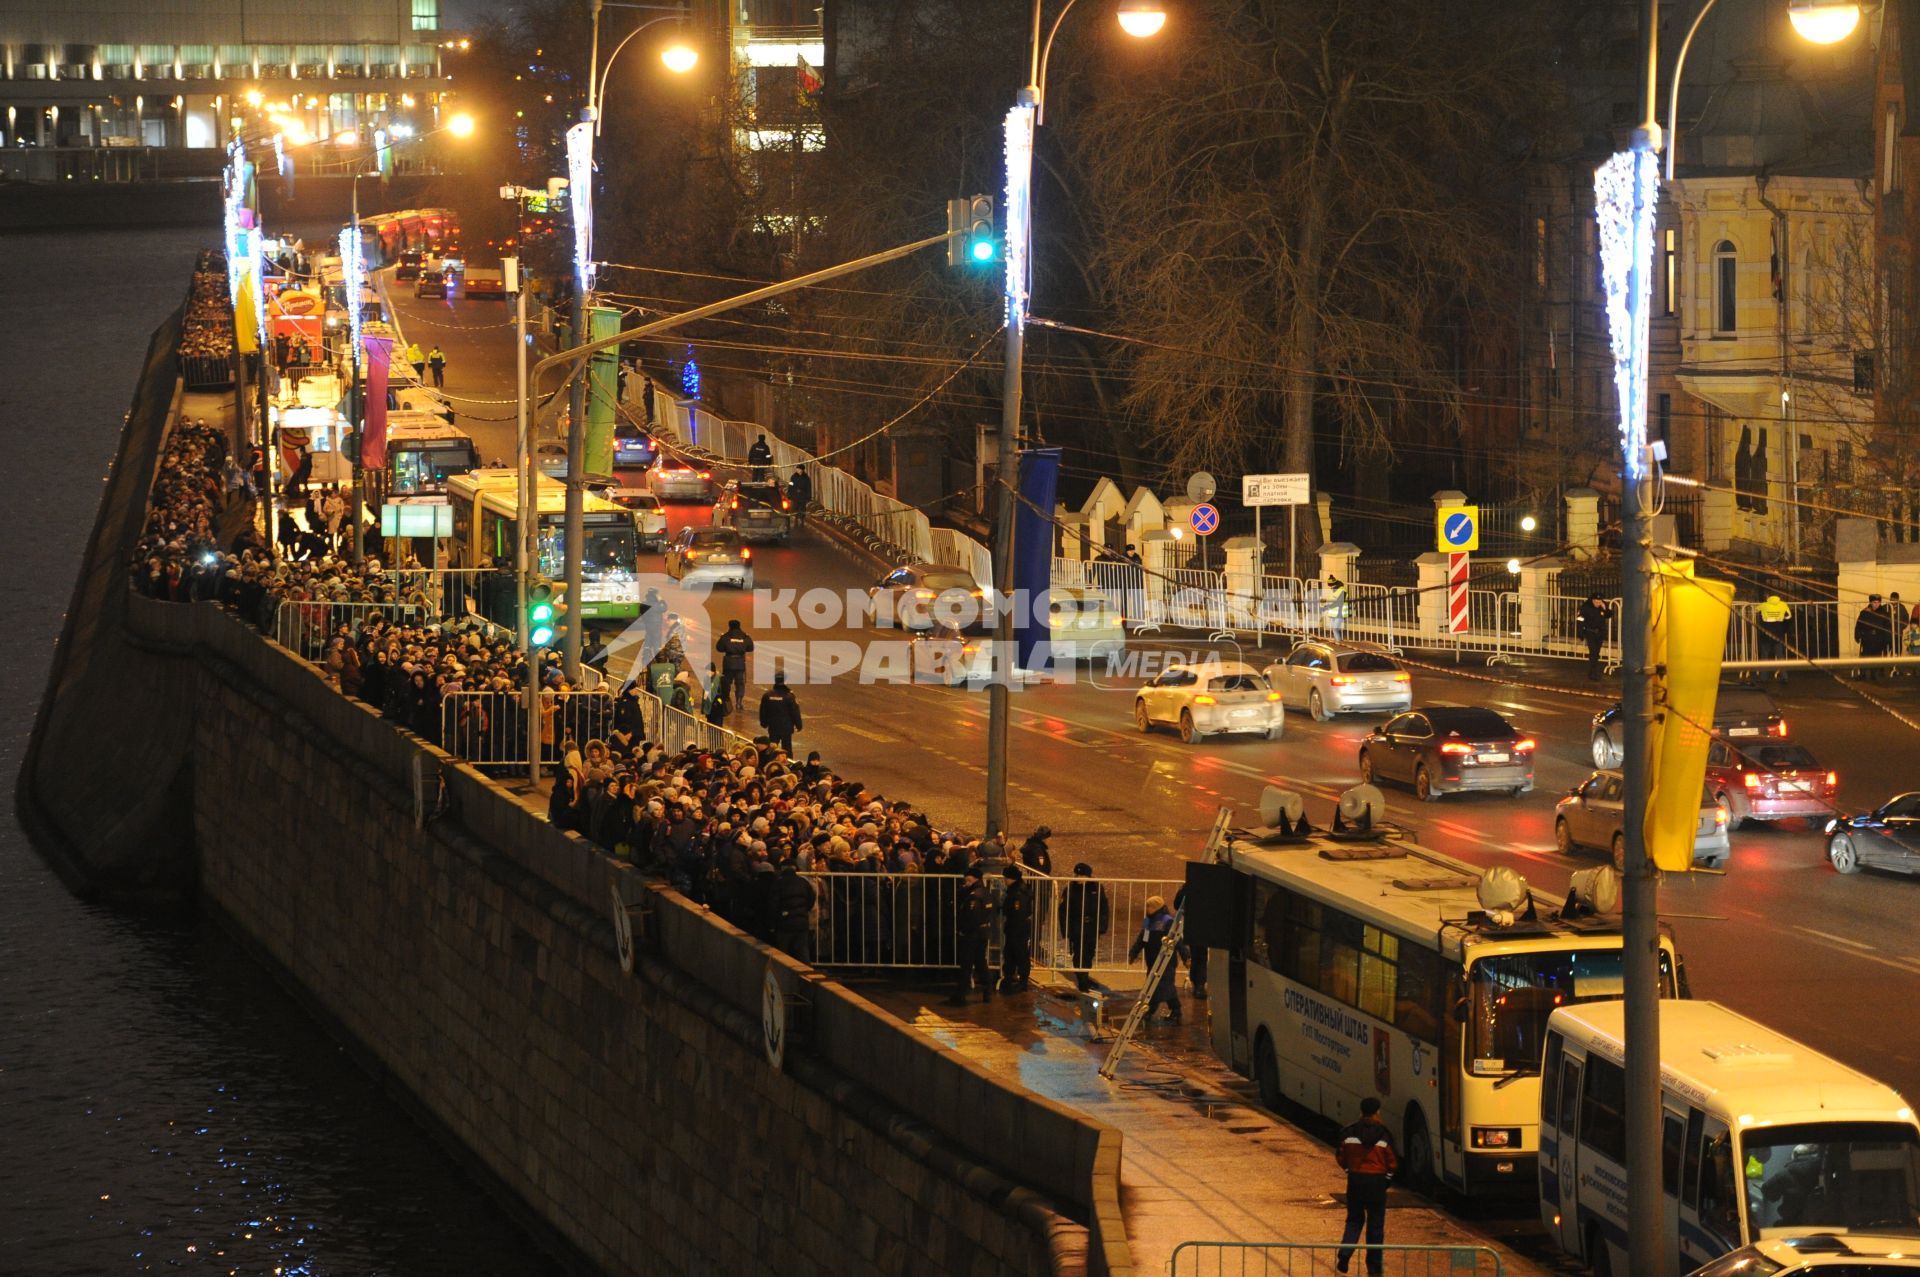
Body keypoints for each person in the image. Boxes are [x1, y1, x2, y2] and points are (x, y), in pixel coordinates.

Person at [1334, 1097, 1400, 1276]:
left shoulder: (1349, 1133)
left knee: (1354, 1220)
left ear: (1361, 1112)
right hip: (1377, 1183)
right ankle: (1374, 1268)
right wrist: (1387, 1179)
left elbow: (1341, 1156)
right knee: (1375, 1225)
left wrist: (1350, 1170)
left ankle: (1345, 1255)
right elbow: (1392, 1162)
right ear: (1377, 1112)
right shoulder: (1384, 1135)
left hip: (1355, 1181)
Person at [1127, 895, 1181, 1024]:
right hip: (1152, 961)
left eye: (1149, 906)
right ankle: (1173, 1010)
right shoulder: (1148, 922)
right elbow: (1142, 939)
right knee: (1156, 986)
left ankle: (1152, 1011)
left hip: (1166, 961)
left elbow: (1177, 941)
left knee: (1162, 986)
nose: (1147, 909)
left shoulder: (1167, 922)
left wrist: (1186, 956)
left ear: (1156, 907)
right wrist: (1133, 953)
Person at [948, 865, 996, 1005]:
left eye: (968, 880)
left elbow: (971, 917)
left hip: (971, 934)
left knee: (966, 963)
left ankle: (961, 994)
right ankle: (987, 990)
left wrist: (963, 931)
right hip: (982, 932)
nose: (966, 883)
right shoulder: (986, 893)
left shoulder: (974, 896)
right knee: (980, 962)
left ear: (975, 879)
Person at [1060, 863, 1110, 992]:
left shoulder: (1096, 888)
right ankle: (1082, 981)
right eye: (1076, 874)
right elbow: (1063, 910)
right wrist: (1066, 929)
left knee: (1088, 954)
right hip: (1077, 926)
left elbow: (1103, 907)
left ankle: (1085, 977)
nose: (1077, 877)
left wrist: (1102, 926)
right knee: (1079, 954)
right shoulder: (1070, 889)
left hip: (1091, 927)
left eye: (1080, 875)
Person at [998, 863, 1033, 993]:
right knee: (1010, 953)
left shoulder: (1018, 893)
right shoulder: (1016, 890)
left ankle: (1022, 982)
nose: (1004, 880)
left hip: (1017, 929)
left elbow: (1018, 912)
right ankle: (1009, 978)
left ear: (1012, 878)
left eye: (1006, 878)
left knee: (1020, 954)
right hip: (1015, 927)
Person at [758, 670, 803, 754]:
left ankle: (770, 762)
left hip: (773, 727)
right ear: (785, 681)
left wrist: (763, 723)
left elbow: (763, 710)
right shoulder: (789, 696)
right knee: (786, 749)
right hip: (786, 728)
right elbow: (795, 712)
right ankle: (787, 764)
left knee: (772, 748)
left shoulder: (767, 695)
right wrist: (799, 725)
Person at [715, 618, 755, 710]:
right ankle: (739, 702)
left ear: (730, 626)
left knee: (726, 683)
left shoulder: (726, 636)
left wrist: (728, 648)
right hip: (740, 664)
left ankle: (726, 700)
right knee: (740, 684)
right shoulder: (745, 636)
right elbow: (751, 648)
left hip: (728, 663)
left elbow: (719, 648)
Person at [1856, 594, 1896, 679]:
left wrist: (1887, 639)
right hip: (1867, 638)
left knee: (1876, 657)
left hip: (1879, 639)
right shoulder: (1865, 612)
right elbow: (1859, 624)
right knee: (1865, 657)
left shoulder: (1884, 613)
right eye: (1874, 602)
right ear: (1870, 602)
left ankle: (1874, 674)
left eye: (1878, 602)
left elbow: (1887, 626)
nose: (1876, 604)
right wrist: (1858, 635)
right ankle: (1863, 674)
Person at [1577, 594, 1613, 680]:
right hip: (1590, 632)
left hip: (1599, 633)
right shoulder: (1586, 607)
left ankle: (1592, 671)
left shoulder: (1602, 607)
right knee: (1593, 652)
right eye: (1596, 602)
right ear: (1592, 600)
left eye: (1599, 602)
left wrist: (1605, 608)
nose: (1597, 603)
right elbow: (1580, 619)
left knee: (1596, 653)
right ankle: (1593, 673)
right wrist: (1580, 633)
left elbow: (1609, 615)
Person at [1757, 594, 1792, 681]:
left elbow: (1756, 610)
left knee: (1765, 655)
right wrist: (1784, 630)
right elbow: (1788, 617)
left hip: (1766, 633)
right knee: (1780, 655)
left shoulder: (1764, 605)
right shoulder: (1783, 605)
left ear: (1768, 598)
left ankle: (1763, 677)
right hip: (1778, 633)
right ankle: (1784, 677)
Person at [1323, 575, 1350, 641]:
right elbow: (1333, 600)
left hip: (1340, 613)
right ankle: (1338, 642)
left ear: (1335, 584)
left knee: (1335, 629)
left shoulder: (1342, 590)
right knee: (1335, 629)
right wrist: (1326, 601)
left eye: (1331, 585)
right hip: (1333, 613)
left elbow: (1339, 602)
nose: (1331, 587)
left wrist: (1328, 607)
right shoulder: (1335, 590)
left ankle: (1339, 644)